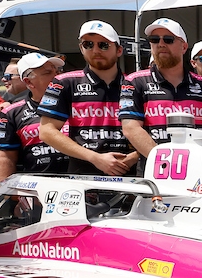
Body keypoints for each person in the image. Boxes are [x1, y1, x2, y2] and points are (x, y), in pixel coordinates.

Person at [39, 21, 138, 176]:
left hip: (131, 173)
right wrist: (95, 158)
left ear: (119, 50)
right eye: (88, 44)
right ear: (81, 48)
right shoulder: (64, 82)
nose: (96, 50)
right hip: (83, 176)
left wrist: (135, 157)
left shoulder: (135, 83)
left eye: (104, 45)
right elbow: (46, 131)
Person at [121, 19, 202, 159]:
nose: (161, 44)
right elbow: (131, 128)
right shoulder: (134, 81)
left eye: (168, 39)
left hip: (195, 165)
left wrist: (194, 159)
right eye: (154, 39)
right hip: (153, 166)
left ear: (184, 47)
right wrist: (164, 161)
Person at [0, 52, 68, 180]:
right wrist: (4, 188)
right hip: (37, 186)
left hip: (81, 183)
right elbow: (5, 157)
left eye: (57, 71)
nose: (57, 76)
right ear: (29, 82)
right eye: (48, 73)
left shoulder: (78, 103)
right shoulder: (10, 113)